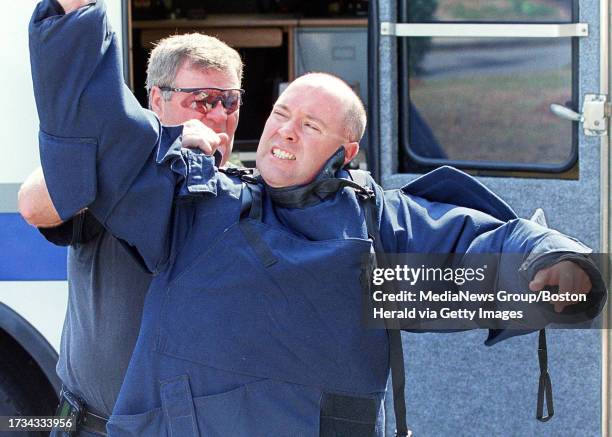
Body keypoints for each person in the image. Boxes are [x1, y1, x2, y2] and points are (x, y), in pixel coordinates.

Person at [29, 1, 606, 435]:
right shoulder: (190, 204)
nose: (284, 130)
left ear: (345, 151)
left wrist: (555, 270)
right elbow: (98, 145)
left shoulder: (375, 228)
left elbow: (476, 255)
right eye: (282, 113)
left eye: (311, 125)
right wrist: (78, 16)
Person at [19, 4, 244, 434]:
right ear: (157, 99)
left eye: (229, 100)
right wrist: (163, 141)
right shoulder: (116, 172)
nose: (217, 114)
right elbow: (33, 202)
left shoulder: (245, 192)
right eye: (202, 99)